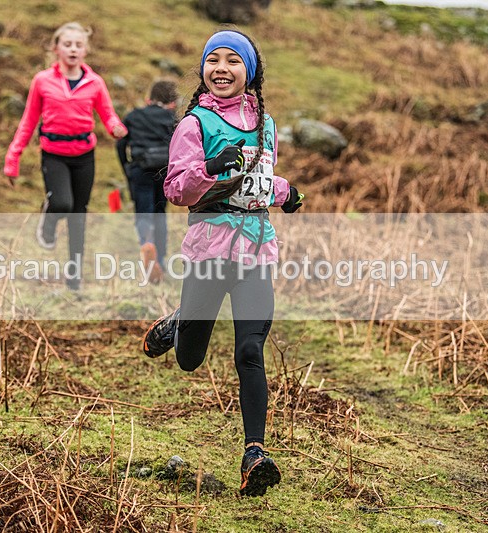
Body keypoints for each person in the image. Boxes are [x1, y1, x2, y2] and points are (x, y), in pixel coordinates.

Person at [141, 30, 304, 497]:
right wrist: (210, 166)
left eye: (234, 60)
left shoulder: (265, 123)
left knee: (250, 350)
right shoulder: (193, 125)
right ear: (203, 70)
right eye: (214, 60)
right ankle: (180, 322)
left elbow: (260, 177)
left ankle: (255, 454)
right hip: (209, 251)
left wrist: (285, 191)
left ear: (249, 71)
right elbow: (175, 190)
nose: (222, 68)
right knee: (190, 360)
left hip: (256, 249)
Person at [4, 22, 127, 291]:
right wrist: (13, 158)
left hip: (85, 155)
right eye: (67, 44)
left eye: (78, 45)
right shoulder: (42, 81)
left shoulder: (95, 83)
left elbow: (107, 114)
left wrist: (116, 128)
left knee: (78, 214)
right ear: (56, 48)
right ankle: (48, 224)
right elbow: (28, 121)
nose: (73, 49)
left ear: (86, 50)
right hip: (53, 155)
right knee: (62, 203)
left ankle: (74, 276)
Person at [116, 80, 178, 284]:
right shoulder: (173, 118)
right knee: (160, 213)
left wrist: (127, 167)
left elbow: (121, 142)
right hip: (165, 170)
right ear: (173, 103)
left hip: (140, 168)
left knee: (144, 211)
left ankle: (146, 243)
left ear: (148, 99)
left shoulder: (134, 116)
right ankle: (160, 259)